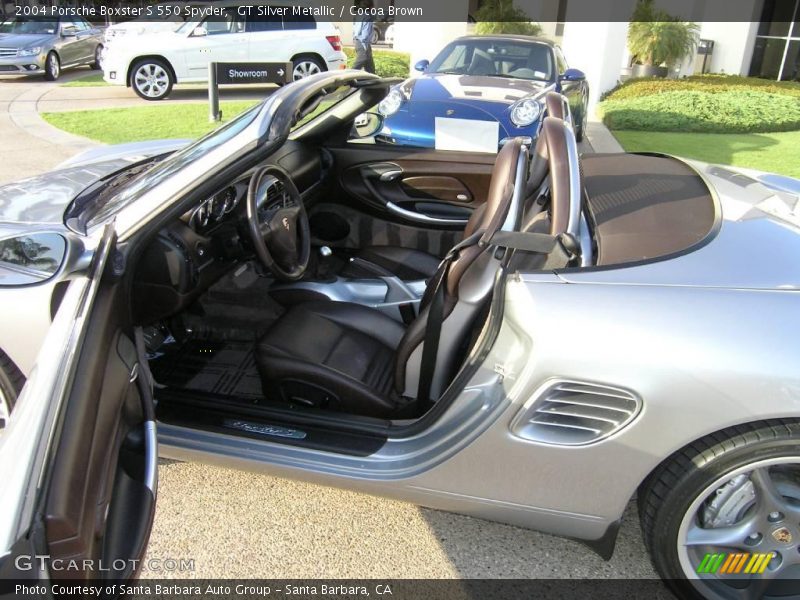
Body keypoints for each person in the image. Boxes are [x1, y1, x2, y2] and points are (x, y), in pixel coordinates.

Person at [352, 0, 376, 74]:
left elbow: (356, 28)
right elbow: (365, 34)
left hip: (358, 41)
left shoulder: (359, 15)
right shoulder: (368, 17)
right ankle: (348, 77)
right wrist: (365, 46)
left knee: (370, 65)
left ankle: (373, 81)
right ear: (371, 7)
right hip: (363, 42)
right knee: (362, 59)